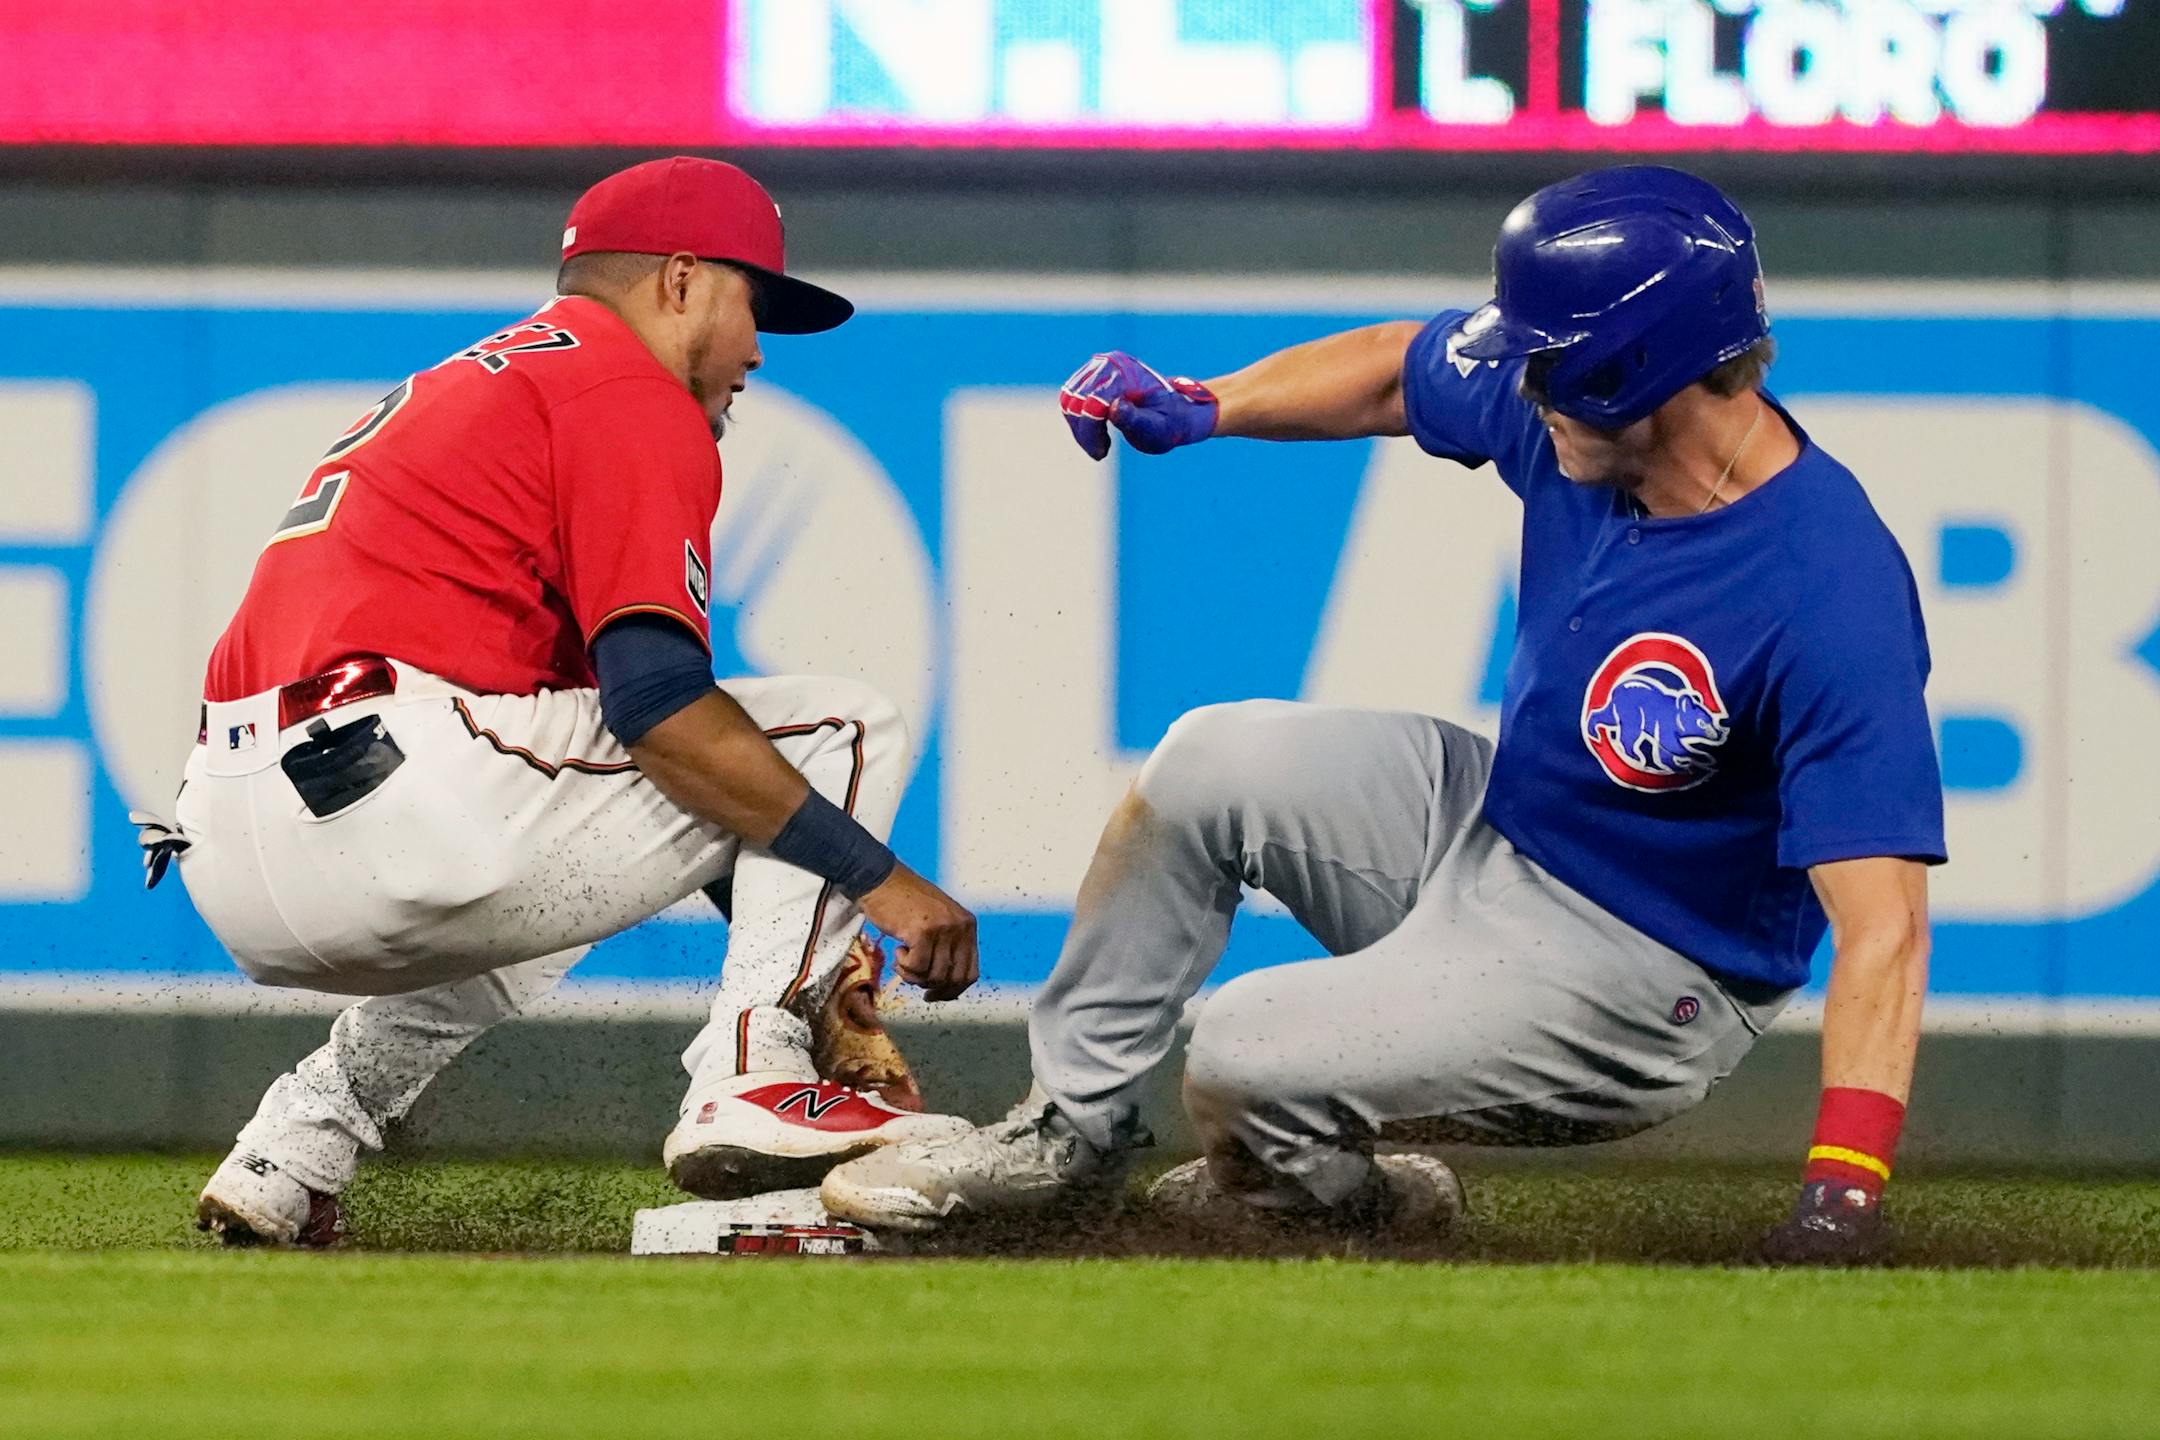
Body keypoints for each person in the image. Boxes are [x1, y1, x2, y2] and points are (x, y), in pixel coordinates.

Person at [820, 166, 1942, 1265]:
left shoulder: (1823, 586)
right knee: (1212, 760)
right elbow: (1400, 371)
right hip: (1500, 830)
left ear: (1631, 369)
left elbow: (1884, 926)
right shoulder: (1592, 418)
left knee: (1244, 1048)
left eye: (1544, 363)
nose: (1519, 382)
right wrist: (1210, 405)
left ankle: (1321, 1200)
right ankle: (1069, 1134)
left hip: (1646, 975)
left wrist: (1846, 1186)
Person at [150, 156, 979, 1246]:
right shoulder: (627, 391)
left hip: (227, 836)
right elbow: (663, 710)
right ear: (679, 280)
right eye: (750, 302)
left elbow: (671, 794)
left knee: (561, 881)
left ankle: (293, 1146)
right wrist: (885, 886)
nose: (758, 349)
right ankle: (754, 1079)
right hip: (400, 788)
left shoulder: (484, 384)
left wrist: (807, 947)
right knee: (842, 724)